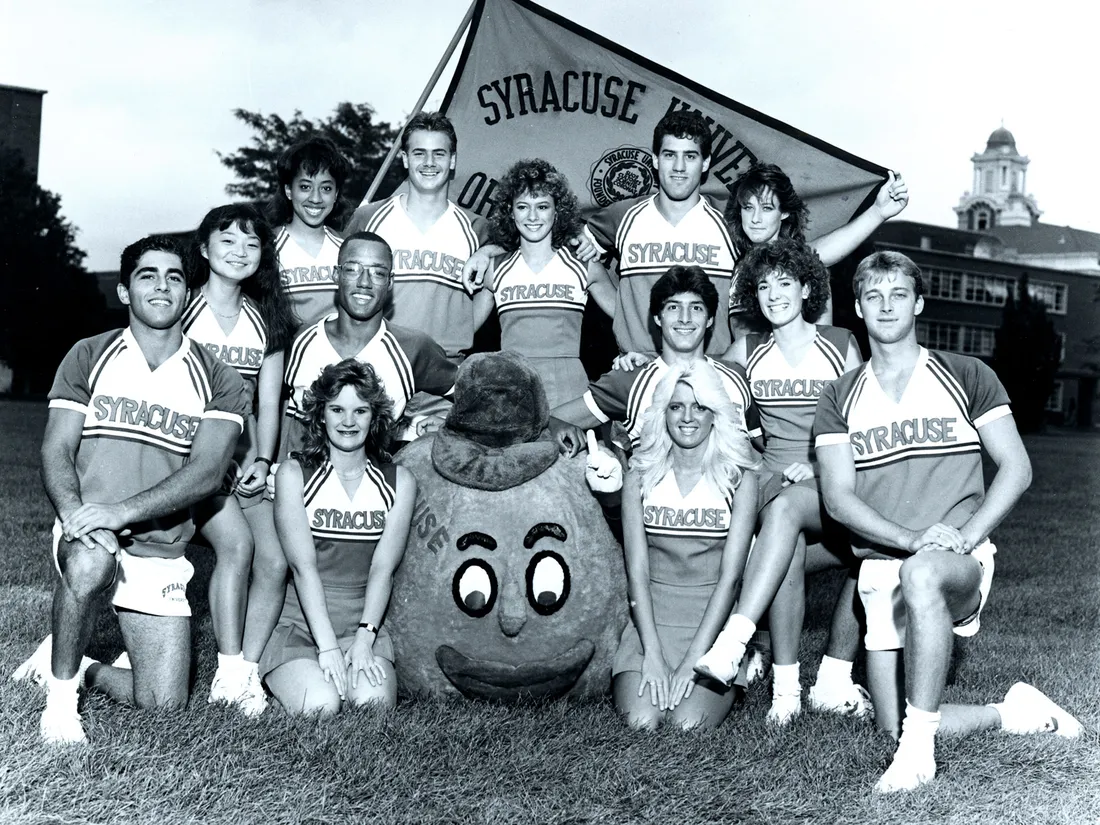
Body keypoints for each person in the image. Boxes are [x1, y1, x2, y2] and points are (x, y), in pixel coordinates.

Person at [814, 250, 1081, 792]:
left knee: (924, 574)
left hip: (958, 559)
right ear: (859, 309)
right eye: (873, 296)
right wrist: (911, 539)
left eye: (898, 294)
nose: (886, 306)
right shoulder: (840, 395)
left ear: (919, 302)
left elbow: (1016, 467)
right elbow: (839, 499)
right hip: (882, 565)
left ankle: (918, 759)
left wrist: (964, 537)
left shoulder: (966, 373)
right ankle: (1012, 712)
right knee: (896, 723)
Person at [13, 236, 247, 744]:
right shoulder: (89, 355)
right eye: (147, 275)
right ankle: (60, 705)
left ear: (188, 293)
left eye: (175, 277)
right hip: (89, 529)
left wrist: (117, 513)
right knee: (91, 561)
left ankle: (73, 663)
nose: (161, 286)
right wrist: (79, 515)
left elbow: (208, 474)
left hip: (159, 547)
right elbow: (56, 451)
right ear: (124, 291)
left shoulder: (220, 378)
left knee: (163, 704)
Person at [693, 239, 868, 724]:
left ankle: (737, 638)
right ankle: (787, 693)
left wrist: (818, 464)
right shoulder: (747, 348)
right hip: (771, 479)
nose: (773, 294)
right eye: (764, 285)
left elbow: (865, 423)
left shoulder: (839, 343)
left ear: (807, 287)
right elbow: (701, 388)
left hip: (830, 476)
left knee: (786, 515)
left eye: (785, 283)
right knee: (782, 538)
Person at [181, 203, 296, 714]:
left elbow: (267, 403)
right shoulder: (180, 307)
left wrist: (264, 461)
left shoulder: (265, 318)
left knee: (275, 559)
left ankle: (246, 671)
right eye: (227, 240)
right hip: (184, 460)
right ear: (204, 249)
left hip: (242, 463)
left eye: (252, 244)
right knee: (238, 546)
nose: (240, 251)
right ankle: (227, 673)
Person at [260, 359, 414, 713]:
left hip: (363, 623)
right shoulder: (294, 474)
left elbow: (382, 569)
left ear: (374, 418)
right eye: (337, 409)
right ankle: (286, 674)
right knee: (322, 705)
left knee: (371, 704)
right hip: (302, 621)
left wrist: (364, 638)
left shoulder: (399, 481)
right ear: (320, 415)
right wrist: (328, 648)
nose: (348, 421)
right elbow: (303, 569)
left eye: (360, 410)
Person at [612, 362, 757, 729]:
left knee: (687, 727)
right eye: (677, 407)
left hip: (711, 621)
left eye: (700, 407)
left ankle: (746, 658)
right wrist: (652, 654)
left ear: (715, 416)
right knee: (641, 722)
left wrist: (697, 657)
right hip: (652, 618)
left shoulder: (739, 477)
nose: (688, 417)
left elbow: (730, 580)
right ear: (663, 413)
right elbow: (638, 575)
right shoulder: (640, 475)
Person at [281, 231, 458, 455]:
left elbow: (480, 393)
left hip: (372, 483)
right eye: (353, 270)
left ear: (390, 282)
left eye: (377, 273)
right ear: (337, 275)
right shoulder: (301, 340)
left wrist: (450, 423)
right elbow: (274, 410)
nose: (364, 282)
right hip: (301, 481)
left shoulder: (412, 348)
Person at [551, 266, 754, 451]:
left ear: (709, 319)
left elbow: (769, 444)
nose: (685, 318)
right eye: (673, 307)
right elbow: (553, 419)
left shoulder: (736, 377)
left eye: (696, 308)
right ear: (658, 317)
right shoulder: (630, 379)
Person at [344, 112, 491, 363]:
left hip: (445, 367)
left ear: (453, 160)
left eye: (439, 154)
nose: (429, 162)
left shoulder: (476, 227)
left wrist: (460, 333)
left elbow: (495, 283)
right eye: (419, 153)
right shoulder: (368, 218)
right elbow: (342, 285)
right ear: (404, 158)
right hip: (377, 363)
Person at [483, 159, 616, 407]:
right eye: (523, 207)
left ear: (557, 212)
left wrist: (634, 356)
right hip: (511, 389)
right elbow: (459, 332)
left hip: (568, 391)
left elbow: (630, 321)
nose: (532, 216)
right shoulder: (493, 268)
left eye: (542, 206)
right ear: (511, 212)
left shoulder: (584, 265)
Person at [725, 161, 908, 338]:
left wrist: (877, 212)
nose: (755, 218)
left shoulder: (801, 261)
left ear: (785, 212)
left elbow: (823, 250)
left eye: (767, 208)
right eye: (748, 207)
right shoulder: (734, 259)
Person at [270, 136, 350, 329]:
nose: (315, 198)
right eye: (305, 187)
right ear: (289, 190)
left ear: (336, 193)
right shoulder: (268, 246)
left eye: (326, 188)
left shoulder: (347, 247)